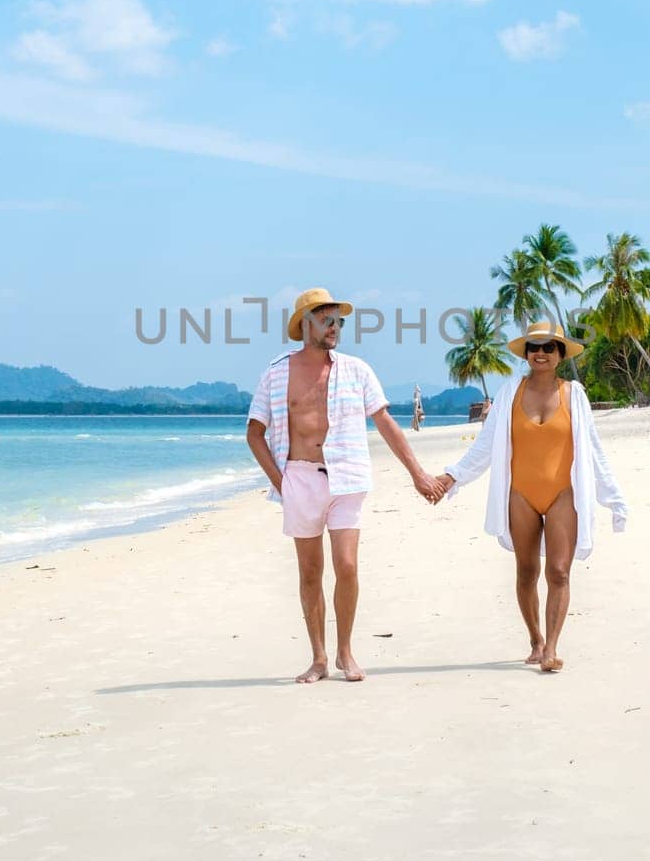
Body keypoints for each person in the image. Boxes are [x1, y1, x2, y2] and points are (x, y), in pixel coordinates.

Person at [246, 286, 443, 684]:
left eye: (339, 321)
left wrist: (418, 474)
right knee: (309, 572)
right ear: (306, 324)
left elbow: (386, 423)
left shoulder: (357, 370)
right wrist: (281, 482)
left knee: (347, 566)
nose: (335, 327)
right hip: (299, 477)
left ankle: (345, 652)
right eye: (327, 320)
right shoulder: (276, 372)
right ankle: (318, 658)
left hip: (347, 476)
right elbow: (254, 433)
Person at [431, 320, 627, 673]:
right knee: (526, 571)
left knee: (559, 572)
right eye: (534, 347)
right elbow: (486, 445)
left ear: (560, 354)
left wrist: (613, 498)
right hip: (520, 493)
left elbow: (593, 449)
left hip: (562, 493)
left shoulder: (574, 394)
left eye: (548, 347)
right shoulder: (510, 392)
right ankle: (536, 639)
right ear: (526, 354)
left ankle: (551, 648)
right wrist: (452, 476)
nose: (540, 353)